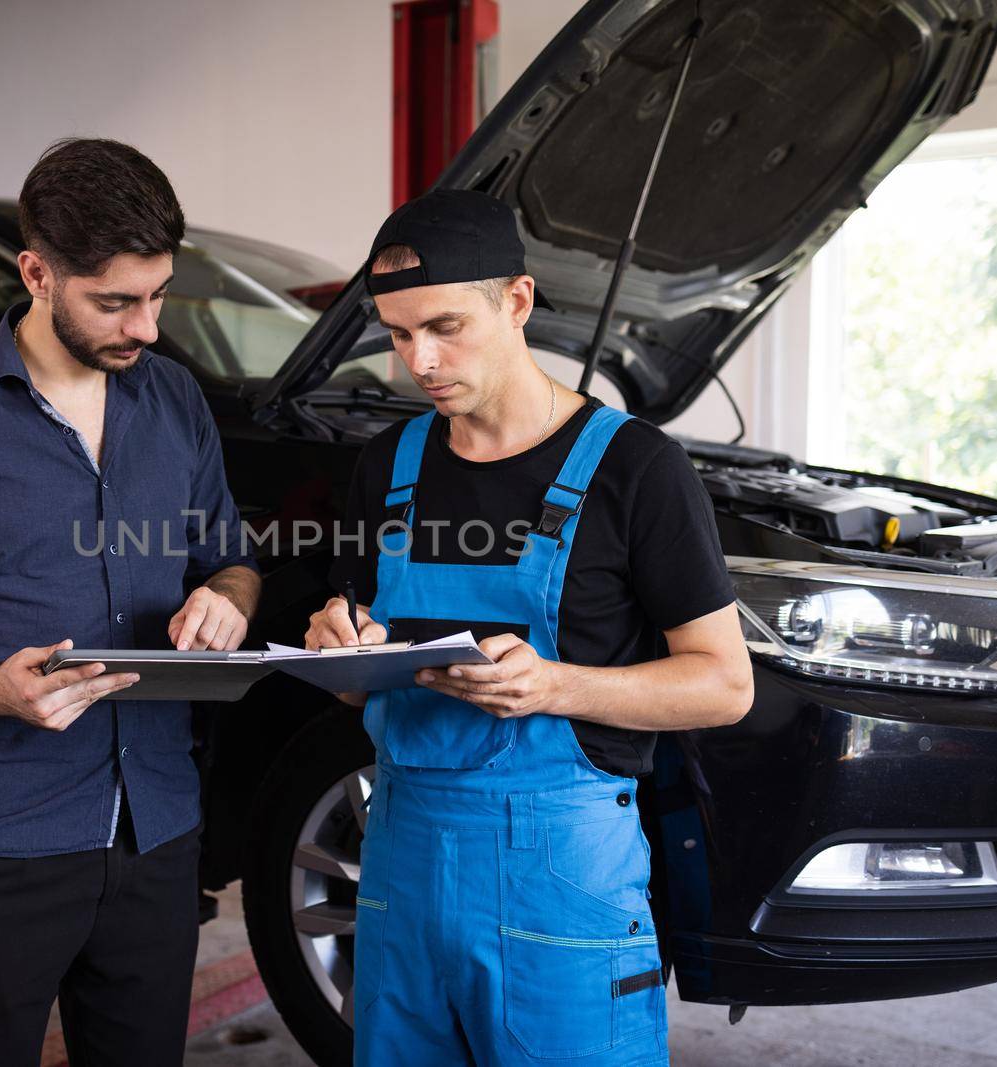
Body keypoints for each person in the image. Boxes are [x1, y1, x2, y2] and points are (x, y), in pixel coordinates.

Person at [0, 138, 261, 1067]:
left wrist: (226, 600)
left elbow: (233, 557)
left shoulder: (175, 400)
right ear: (36, 272)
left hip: (158, 827)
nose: (145, 328)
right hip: (2, 839)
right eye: (115, 302)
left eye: (157, 297)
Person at [305, 188, 752, 1066]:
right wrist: (338, 647)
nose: (418, 362)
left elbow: (724, 684)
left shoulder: (636, 468)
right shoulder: (385, 467)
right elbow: (356, 668)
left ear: (516, 300)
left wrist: (556, 684)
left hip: (563, 882)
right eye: (396, 335)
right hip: (400, 867)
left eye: (442, 326)